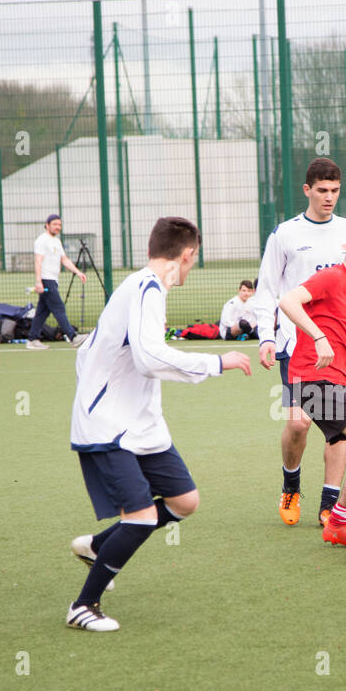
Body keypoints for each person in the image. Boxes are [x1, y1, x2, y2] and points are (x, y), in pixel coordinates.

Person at [66, 217, 252, 632]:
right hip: (109, 427)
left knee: (184, 501)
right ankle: (83, 605)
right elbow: (149, 358)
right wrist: (216, 363)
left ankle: (98, 547)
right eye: (194, 260)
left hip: (139, 425)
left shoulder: (142, 286)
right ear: (186, 256)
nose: (192, 267)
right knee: (143, 517)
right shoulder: (146, 290)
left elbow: (97, 354)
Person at [252, 158, 346, 528]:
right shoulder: (285, 234)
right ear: (307, 190)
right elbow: (268, 290)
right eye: (323, 190)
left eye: (336, 190)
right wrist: (266, 335)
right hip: (297, 345)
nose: (329, 197)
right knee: (297, 424)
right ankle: (291, 484)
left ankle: (331, 505)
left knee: (344, 427)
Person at [277, 221, 346, 550]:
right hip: (312, 377)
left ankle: (339, 523)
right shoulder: (330, 277)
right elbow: (288, 302)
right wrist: (318, 337)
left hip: (340, 379)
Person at [30, 214, 88, 350]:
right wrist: (38, 281)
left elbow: (64, 260)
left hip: (53, 280)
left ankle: (32, 339)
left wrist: (78, 272)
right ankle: (73, 337)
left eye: (59, 225)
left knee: (42, 312)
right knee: (59, 307)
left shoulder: (56, 241)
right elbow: (38, 260)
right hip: (46, 280)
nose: (57, 227)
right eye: (55, 224)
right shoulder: (42, 240)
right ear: (47, 225)